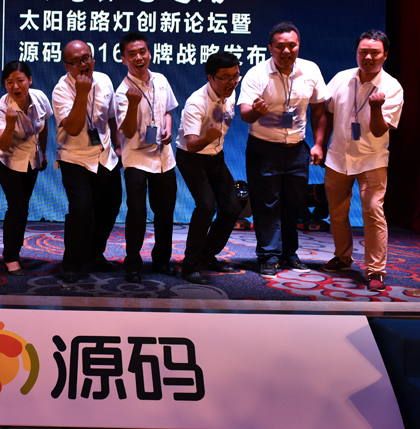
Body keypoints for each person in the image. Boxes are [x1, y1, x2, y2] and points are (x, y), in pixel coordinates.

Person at [238, 21, 328, 278]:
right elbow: (245, 113)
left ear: (298, 45)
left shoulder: (311, 70)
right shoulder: (257, 74)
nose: (286, 51)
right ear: (270, 48)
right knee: (266, 204)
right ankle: (268, 256)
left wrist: (319, 144)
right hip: (263, 149)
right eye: (280, 47)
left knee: (293, 204)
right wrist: (257, 111)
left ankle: (289, 254)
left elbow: (319, 109)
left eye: (292, 46)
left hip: (297, 148)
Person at [319, 30, 403, 292]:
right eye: (363, 52)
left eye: (375, 53)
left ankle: (376, 269)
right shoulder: (341, 78)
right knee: (337, 213)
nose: (368, 57)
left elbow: (379, 131)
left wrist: (376, 107)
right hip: (338, 156)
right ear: (356, 53)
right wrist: (320, 144)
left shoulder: (392, 86)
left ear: (385, 55)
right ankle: (342, 257)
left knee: (373, 212)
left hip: (372, 159)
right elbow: (326, 112)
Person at [51, 39, 122, 283]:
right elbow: (72, 128)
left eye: (86, 58)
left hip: (105, 156)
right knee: (81, 210)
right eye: (76, 61)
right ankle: (72, 262)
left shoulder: (104, 80)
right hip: (75, 158)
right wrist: (81, 93)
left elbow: (111, 117)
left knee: (110, 207)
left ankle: (94, 254)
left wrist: (118, 146)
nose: (83, 64)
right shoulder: (61, 90)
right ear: (66, 66)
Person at [115, 32, 178, 284]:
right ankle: (132, 263)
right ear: (124, 59)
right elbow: (128, 132)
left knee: (165, 212)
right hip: (136, 159)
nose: (139, 57)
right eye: (132, 54)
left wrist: (168, 128)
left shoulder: (161, 79)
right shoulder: (122, 92)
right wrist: (132, 104)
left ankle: (162, 260)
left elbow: (168, 111)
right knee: (137, 212)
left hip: (163, 158)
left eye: (142, 52)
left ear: (149, 53)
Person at [175, 51, 243, 285]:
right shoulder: (196, 102)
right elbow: (192, 144)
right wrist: (208, 137)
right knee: (206, 206)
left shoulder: (230, 93)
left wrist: (212, 140)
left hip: (215, 157)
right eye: (225, 77)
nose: (232, 82)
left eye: (235, 76)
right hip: (191, 157)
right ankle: (190, 265)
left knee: (232, 207)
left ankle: (206, 256)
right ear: (210, 77)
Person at [0, 61, 52, 276]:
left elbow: (44, 126)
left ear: (30, 80)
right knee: (16, 205)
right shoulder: (1, 107)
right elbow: (3, 145)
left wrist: (43, 153)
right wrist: (9, 123)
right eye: (9, 82)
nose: (15, 86)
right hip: (7, 159)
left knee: (23, 206)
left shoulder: (40, 97)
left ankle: (15, 252)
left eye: (20, 81)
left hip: (31, 158)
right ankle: (9, 257)